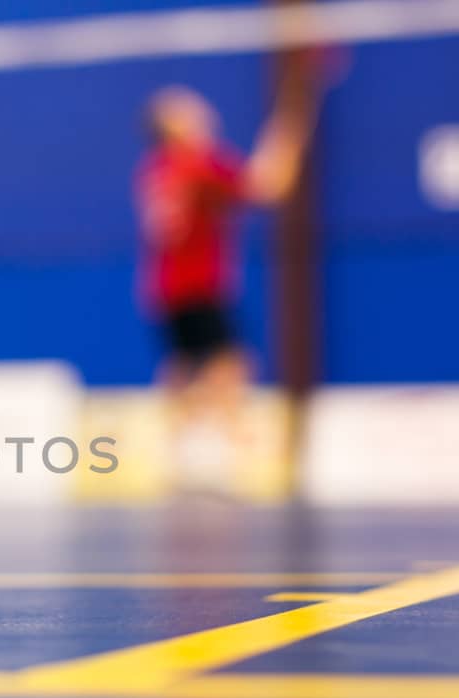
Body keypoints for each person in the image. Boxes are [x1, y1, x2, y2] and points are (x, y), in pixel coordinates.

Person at [133, 79, 320, 488]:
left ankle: (175, 461)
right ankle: (236, 457)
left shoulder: (158, 168)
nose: (198, 109)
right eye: (186, 108)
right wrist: (290, 131)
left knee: (183, 373)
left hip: (164, 287)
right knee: (229, 367)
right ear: (173, 125)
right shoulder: (197, 162)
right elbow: (268, 185)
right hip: (199, 284)